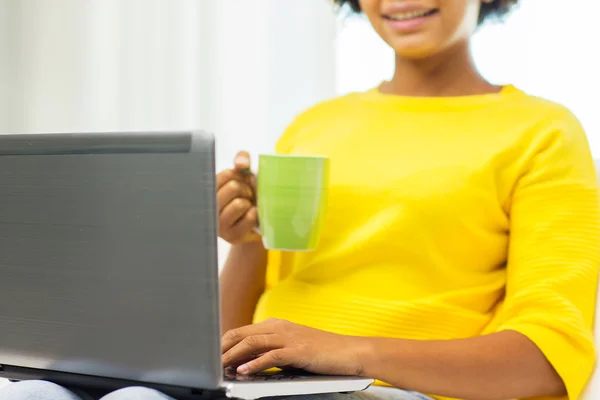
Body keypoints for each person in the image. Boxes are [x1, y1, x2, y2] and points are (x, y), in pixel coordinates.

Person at [3, 0, 598, 399]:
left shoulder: (542, 131)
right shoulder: (314, 127)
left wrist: (346, 351)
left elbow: (547, 361)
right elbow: (237, 334)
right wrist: (246, 244)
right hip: (270, 384)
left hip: (391, 391)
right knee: (41, 391)